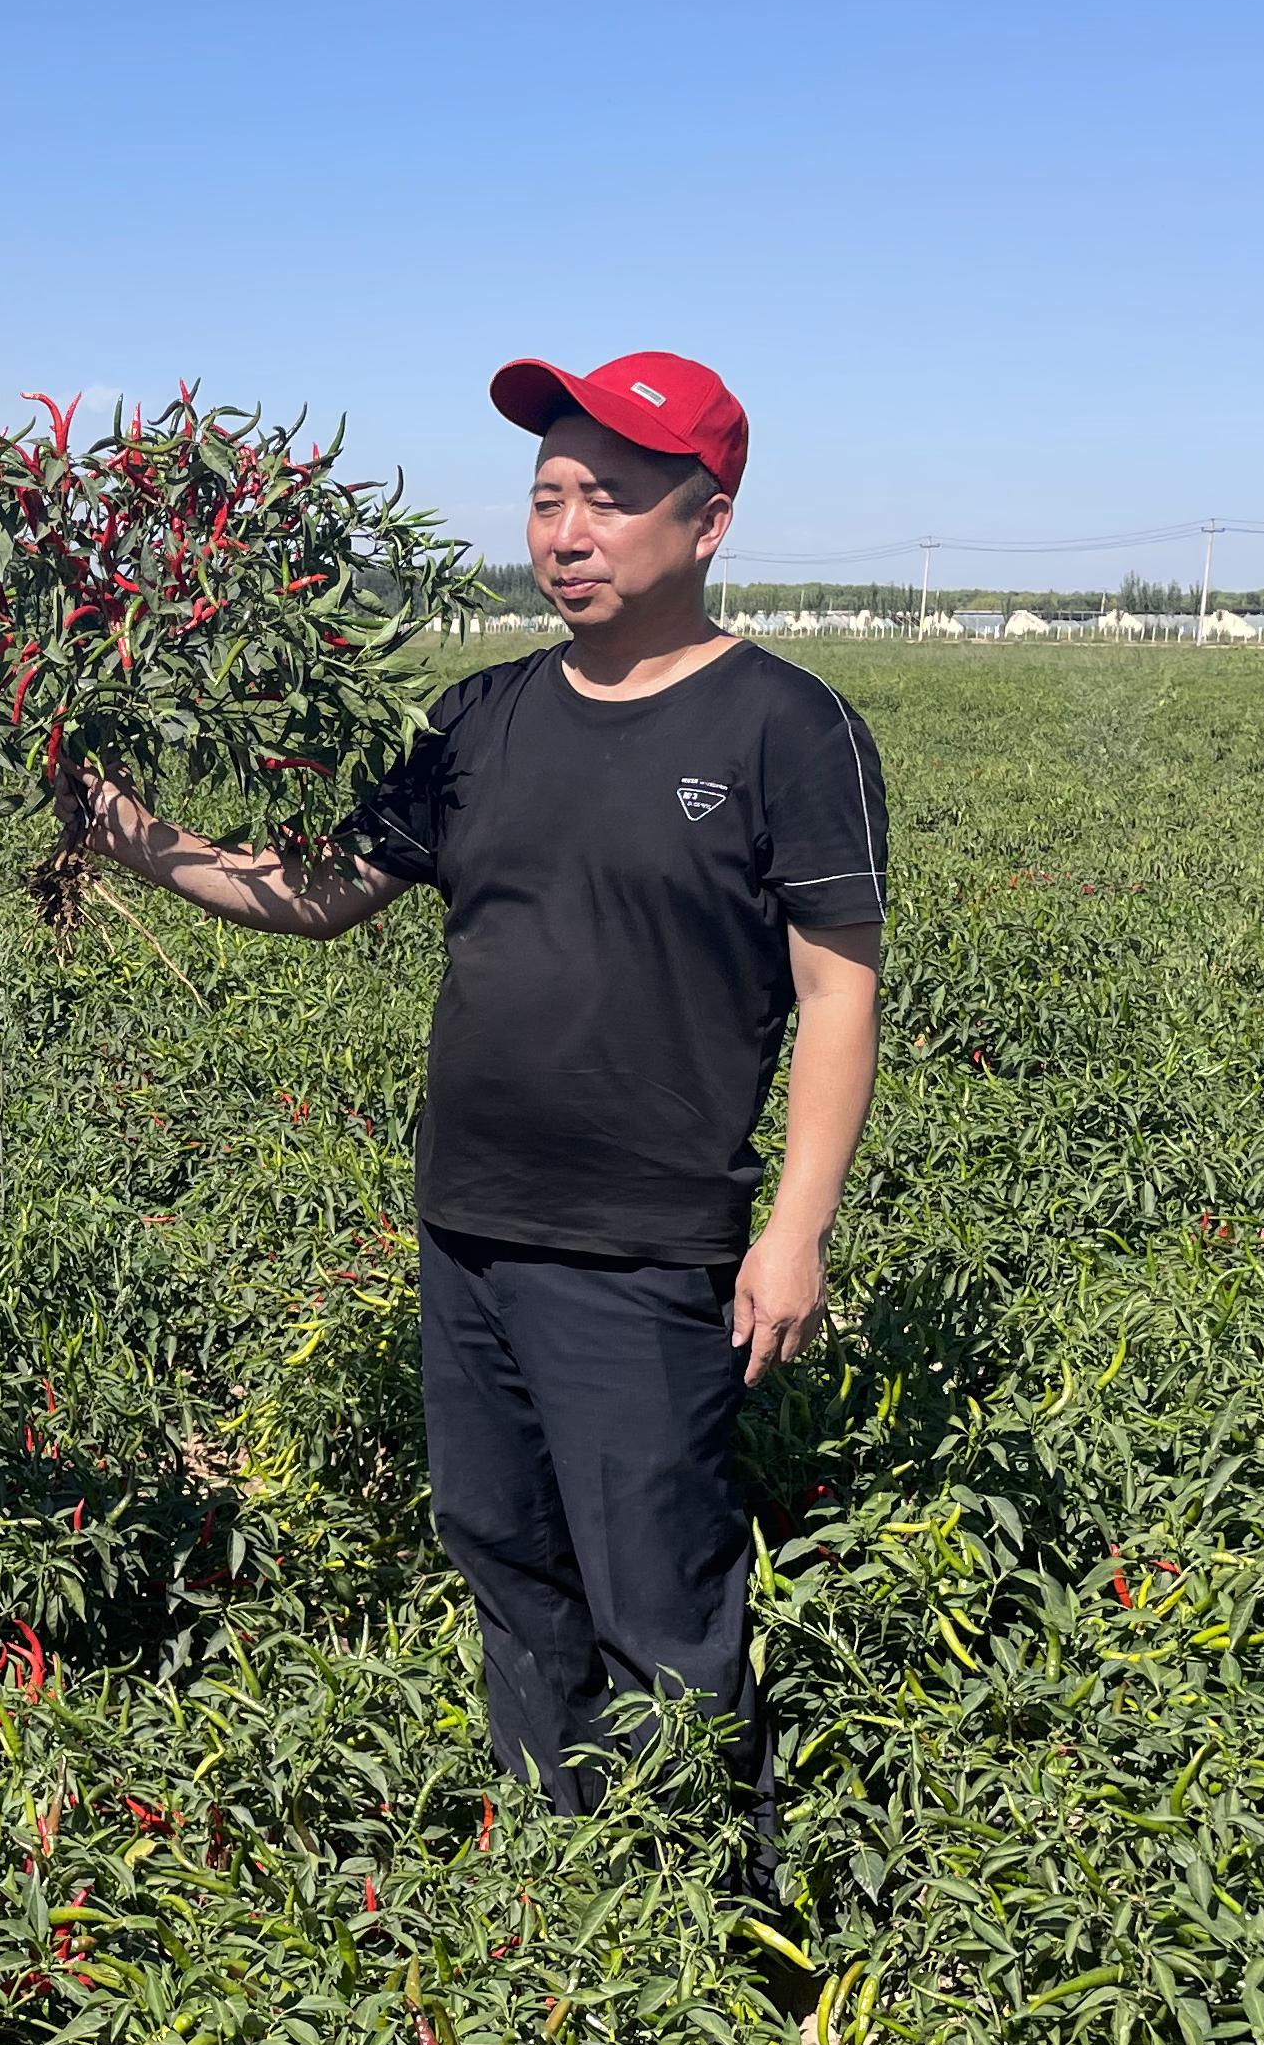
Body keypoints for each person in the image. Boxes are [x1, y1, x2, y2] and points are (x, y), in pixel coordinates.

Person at [57, 351, 886, 1833]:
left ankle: (718, 1949)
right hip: (469, 1223)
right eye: (548, 496)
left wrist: (796, 1229)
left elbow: (838, 991)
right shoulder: (477, 719)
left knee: (664, 1608)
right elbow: (319, 894)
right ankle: (559, 1909)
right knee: (508, 1564)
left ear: (706, 524)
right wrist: (132, 837)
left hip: (644, 1247)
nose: (567, 531)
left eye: (610, 501)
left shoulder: (783, 727)